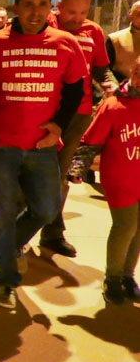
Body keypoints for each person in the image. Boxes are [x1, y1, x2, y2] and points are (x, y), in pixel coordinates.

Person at [0, 0, 88, 309]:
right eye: (28, 4)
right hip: (0, 145)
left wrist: (59, 125)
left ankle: (11, 245)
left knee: (46, 209)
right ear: (15, 7)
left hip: (42, 146)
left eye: (42, 4)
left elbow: (75, 89)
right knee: (1, 212)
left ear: (52, 8)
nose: (35, 12)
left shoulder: (65, 43)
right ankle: (7, 279)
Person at [37, 0, 117, 257]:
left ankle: (52, 233)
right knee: (32, 170)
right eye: (72, 12)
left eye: (83, 13)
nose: (78, 18)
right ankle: (20, 227)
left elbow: (101, 69)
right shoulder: (45, 24)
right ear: (59, 7)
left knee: (60, 175)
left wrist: (112, 88)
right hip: (42, 109)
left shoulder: (93, 31)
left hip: (79, 113)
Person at [69, 57, 140, 304]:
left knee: (138, 230)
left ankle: (128, 276)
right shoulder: (114, 105)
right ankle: (113, 278)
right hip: (121, 177)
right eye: (139, 73)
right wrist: (78, 167)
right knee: (125, 226)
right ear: (133, 72)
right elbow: (92, 141)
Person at [106, 1, 140, 82]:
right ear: (131, 16)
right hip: (123, 92)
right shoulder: (115, 40)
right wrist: (116, 88)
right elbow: (104, 70)